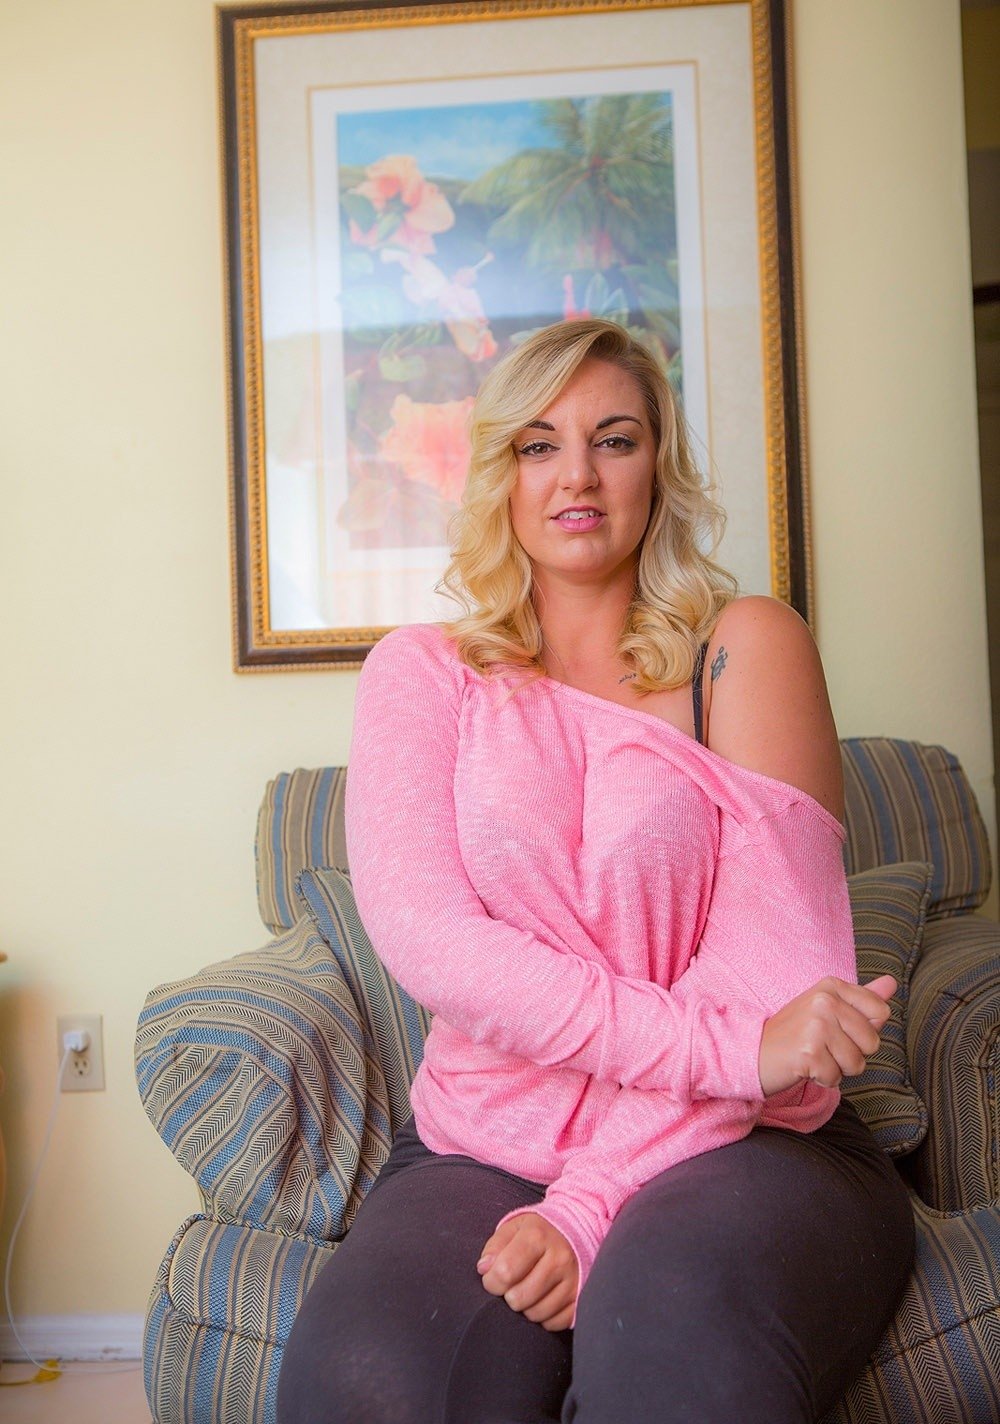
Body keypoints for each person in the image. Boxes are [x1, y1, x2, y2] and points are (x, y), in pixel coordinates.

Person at [276, 319, 914, 1424]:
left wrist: (589, 1206)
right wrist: (729, 1047)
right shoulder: (424, 675)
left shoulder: (743, 648)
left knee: (671, 1344)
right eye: (539, 444)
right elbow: (436, 944)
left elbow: (775, 970)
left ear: (657, 465)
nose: (576, 474)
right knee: (364, 1381)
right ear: (501, 473)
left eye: (613, 439)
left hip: (744, 1135)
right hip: (489, 1138)